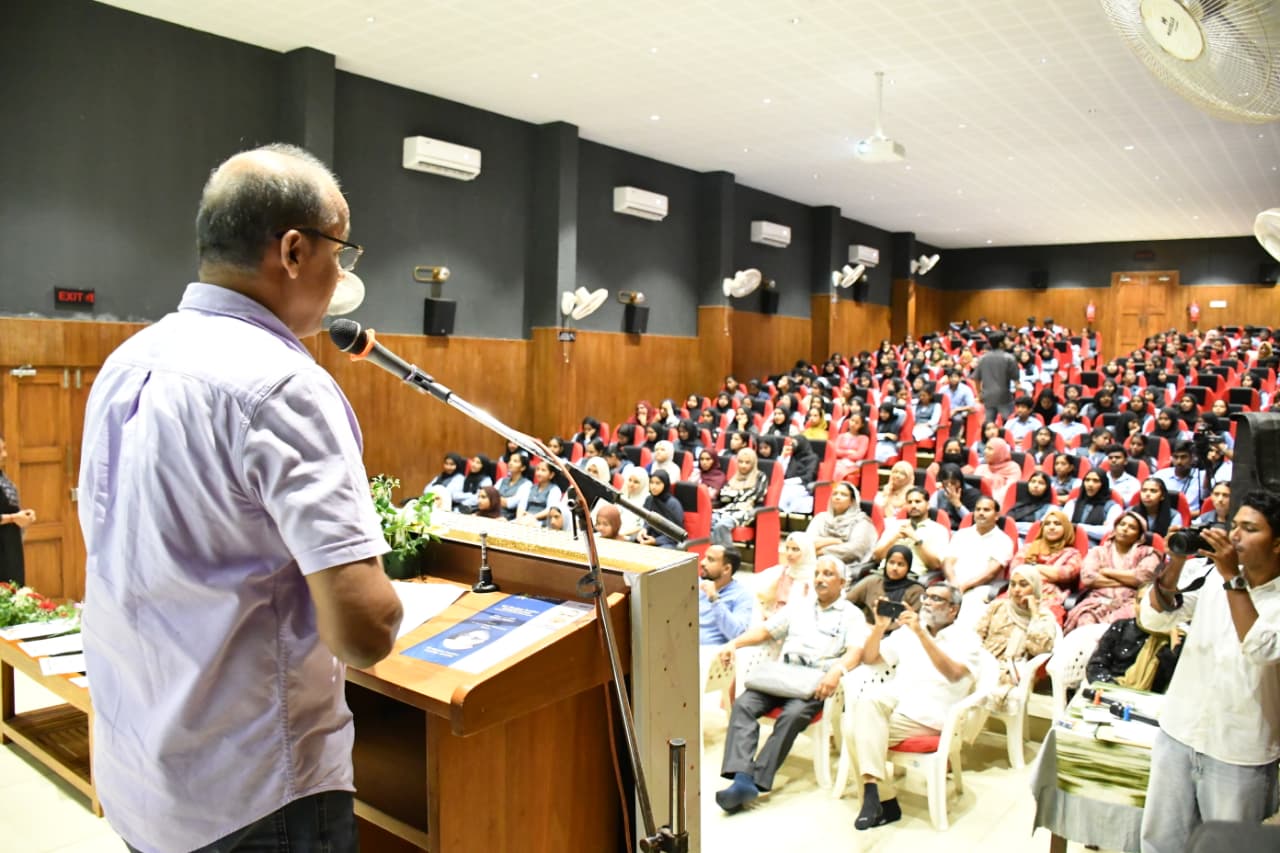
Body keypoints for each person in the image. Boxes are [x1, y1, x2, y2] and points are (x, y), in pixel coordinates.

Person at [76, 144, 403, 853]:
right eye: (341, 251)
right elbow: (364, 630)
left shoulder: (127, 360)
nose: (342, 274)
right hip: (254, 789)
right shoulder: (283, 384)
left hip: (142, 767)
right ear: (294, 251)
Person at [1139, 490, 1280, 852]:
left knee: (1228, 847)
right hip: (1179, 730)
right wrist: (1176, 562)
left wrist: (1232, 578)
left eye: (1250, 529)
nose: (1235, 536)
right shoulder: (1212, 577)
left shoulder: (1232, 580)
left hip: (1239, 750)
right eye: (1234, 526)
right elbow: (1156, 617)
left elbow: (1261, 649)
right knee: (1161, 843)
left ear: (1277, 544)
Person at [714, 557, 867, 813]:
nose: (820, 579)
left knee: (793, 715)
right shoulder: (800, 606)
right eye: (817, 573)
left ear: (842, 582)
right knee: (743, 704)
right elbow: (765, 631)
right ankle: (742, 776)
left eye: (828, 574)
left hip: (815, 682)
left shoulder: (852, 615)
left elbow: (855, 652)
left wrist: (836, 671)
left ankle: (753, 781)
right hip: (782, 675)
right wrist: (734, 644)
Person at [848, 582, 983, 830]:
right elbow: (870, 658)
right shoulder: (908, 631)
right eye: (926, 597)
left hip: (932, 714)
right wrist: (879, 627)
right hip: (900, 699)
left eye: (936, 599)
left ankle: (881, 800)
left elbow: (953, 674)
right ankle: (875, 793)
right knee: (866, 704)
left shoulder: (967, 639)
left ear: (953, 609)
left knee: (856, 732)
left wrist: (921, 633)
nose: (927, 602)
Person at [974, 565, 1056, 715]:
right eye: (1013, 584)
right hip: (983, 661)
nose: (1017, 590)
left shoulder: (1044, 616)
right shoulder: (998, 606)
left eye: (1023, 585)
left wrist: (1034, 614)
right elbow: (977, 635)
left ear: (1035, 587)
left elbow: (1040, 649)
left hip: (1012, 671)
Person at [1064, 511, 1160, 633]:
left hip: (1131, 603)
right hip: (1097, 601)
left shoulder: (1148, 553)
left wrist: (1106, 571)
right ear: (1115, 529)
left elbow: (1143, 578)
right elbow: (1088, 578)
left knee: (1118, 626)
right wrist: (1128, 580)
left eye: (1132, 527)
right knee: (1085, 621)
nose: (1125, 529)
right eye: (1122, 524)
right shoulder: (1098, 551)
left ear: (1139, 535)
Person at [942, 496, 1015, 622]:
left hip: (980, 588)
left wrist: (964, 587)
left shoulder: (1003, 540)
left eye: (986, 510)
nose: (981, 513)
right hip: (953, 583)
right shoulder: (961, 534)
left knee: (964, 618)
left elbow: (990, 574)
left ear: (996, 516)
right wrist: (953, 581)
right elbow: (948, 562)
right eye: (978, 509)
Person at [1010, 509, 1083, 617]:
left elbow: (1064, 574)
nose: (1051, 527)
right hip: (1019, 590)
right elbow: (1015, 570)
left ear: (1066, 529)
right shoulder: (1029, 548)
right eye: (1047, 524)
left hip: (1050, 596)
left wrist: (1034, 567)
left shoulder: (1072, 554)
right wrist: (1049, 574)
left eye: (1057, 524)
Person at [871, 487, 948, 572]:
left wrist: (916, 539)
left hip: (912, 575)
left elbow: (935, 565)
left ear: (928, 505)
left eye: (917, 501)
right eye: (909, 502)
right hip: (884, 572)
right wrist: (895, 538)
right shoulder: (895, 525)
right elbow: (876, 557)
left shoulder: (939, 530)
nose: (913, 506)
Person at [846, 544, 924, 624]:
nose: (894, 568)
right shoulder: (872, 582)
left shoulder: (916, 591)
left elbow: (916, 621)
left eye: (900, 564)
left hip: (901, 630)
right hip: (869, 628)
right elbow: (846, 602)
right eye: (891, 562)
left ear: (908, 567)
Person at [806, 481, 877, 570]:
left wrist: (822, 551)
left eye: (843, 495)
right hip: (814, 562)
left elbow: (855, 549)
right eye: (835, 494)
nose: (837, 497)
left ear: (852, 501)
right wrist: (834, 541)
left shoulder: (861, 521)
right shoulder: (820, 517)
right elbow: (807, 541)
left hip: (846, 566)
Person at [711, 448, 768, 547]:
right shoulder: (734, 477)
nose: (743, 465)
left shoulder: (760, 476)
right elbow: (724, 496)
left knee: (722, 525)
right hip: (727, 509)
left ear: (753, 463)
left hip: (747, 511)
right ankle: (714, 551)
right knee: (709, 521)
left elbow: (754, 495)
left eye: (747, 462)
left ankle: (728, 554)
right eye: (740, 462)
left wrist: (734, 494)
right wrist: (737, 494)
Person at [753, 532, 817, 619]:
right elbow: (760, 596)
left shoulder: (816, 576)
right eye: (787, 548)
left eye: (795, 549)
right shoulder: (783, 572)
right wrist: (764, 613)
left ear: (807, 552)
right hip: (774, 619)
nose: (789, 553)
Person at [698, 544, 753, 647]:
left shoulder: (741, 596)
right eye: (705, 557)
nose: (702, 562)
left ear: (726, 569)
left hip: (709, 651)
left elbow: (737, 634)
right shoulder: (696, 583)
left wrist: (714, 599)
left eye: (710, 560)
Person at [0, 435, 36, 585]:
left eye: (4, 449)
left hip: (10, 547)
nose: (5, 454)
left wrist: (24, 515)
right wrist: (14, 518)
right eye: (0, 451)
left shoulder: (2, 477)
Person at [1064, 469, 1123, 547]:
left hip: (1096, 548)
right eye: (1087, 480)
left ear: (1103, 484)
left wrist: (1076, 526)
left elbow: (1109, 532)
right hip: (1070, 544)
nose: (1090, 484)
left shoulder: (1113, 507)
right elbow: (1064, 526)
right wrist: (1096, 529)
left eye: (1095, 481)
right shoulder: (1073, 503)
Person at [973, 331, 1019, 422]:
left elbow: (976, 379)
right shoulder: (1009, 358)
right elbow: (1016, 381)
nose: (1009, 342)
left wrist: (979, 394)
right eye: (1006, 340)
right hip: (1004, 397)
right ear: (1001, 343)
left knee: (989, 424)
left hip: (988, 397)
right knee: (1008, 423)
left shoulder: (982, 358)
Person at [636, 470, 684, 549]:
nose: (653, 486)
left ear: (665, 484)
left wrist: (656, 541)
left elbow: (676, 533)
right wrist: (644, 530)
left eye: (658, 483)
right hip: (650, 537)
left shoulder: (673, 504)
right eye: (651, 482)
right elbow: (646, 521)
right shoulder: (649, 499)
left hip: (668, 541)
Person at [973, 437, 1022, 507]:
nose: (985, 451)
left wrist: (989, 503)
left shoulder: (1013, 468)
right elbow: (974, 491)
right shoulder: (980, 468)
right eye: (986, 448)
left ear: (999, 452)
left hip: (1001, 506)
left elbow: (1008, 490)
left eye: (990, 449)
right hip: (979, 505)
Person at [493, 451, 532, 520]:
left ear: (523, 467)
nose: (510, 463)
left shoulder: (527, 484)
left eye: (515, 461)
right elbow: (490, 496)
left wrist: (495, 499)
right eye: (510, 460)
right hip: (492, 513)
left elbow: (510, 504)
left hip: (508, 518)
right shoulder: (502, 480)